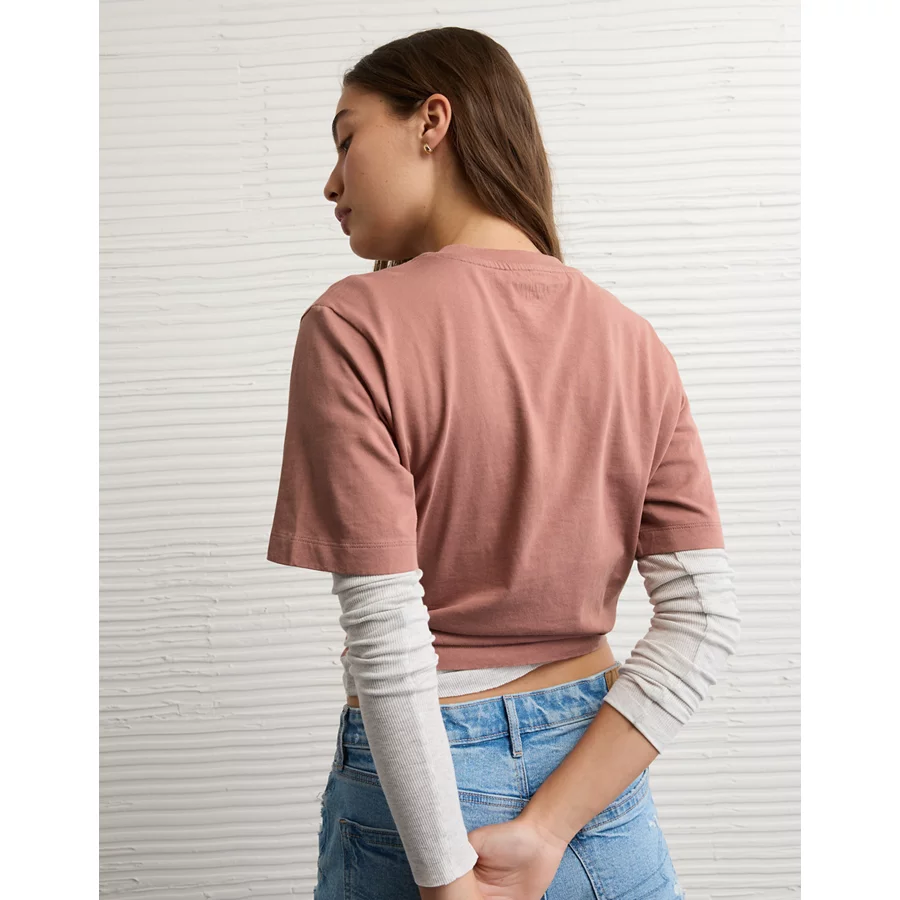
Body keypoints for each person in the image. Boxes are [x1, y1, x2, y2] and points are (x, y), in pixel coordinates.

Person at [266, 26, 741, 900]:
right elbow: (704, 620)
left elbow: (389, 633)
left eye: (346, 139)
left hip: (429, 797)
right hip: (599, 786)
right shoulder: (633, 341)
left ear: (431, 121)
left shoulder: (354, 325)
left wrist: (445, 875)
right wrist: (551, 824)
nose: (331, 182)